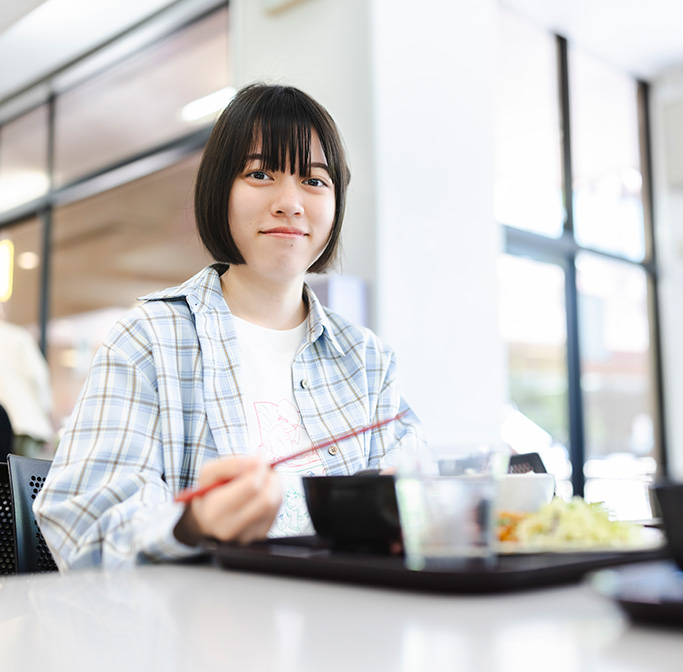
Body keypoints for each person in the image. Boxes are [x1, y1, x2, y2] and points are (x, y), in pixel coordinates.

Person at [34, 83, 425, 570]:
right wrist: (192, 521)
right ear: (220, 188)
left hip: (348, 628)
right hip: (194, 635)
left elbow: (417, 494)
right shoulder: (149, 339)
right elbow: (81, 524)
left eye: (315, 181)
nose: (290, 203)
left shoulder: (368, 360)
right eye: (260, 173)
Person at [0, 315, 54, 458]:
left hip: (7, 421)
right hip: (26, 423)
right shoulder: (18, 336)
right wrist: (48, 418)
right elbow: (38, 377)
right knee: (25, 476)